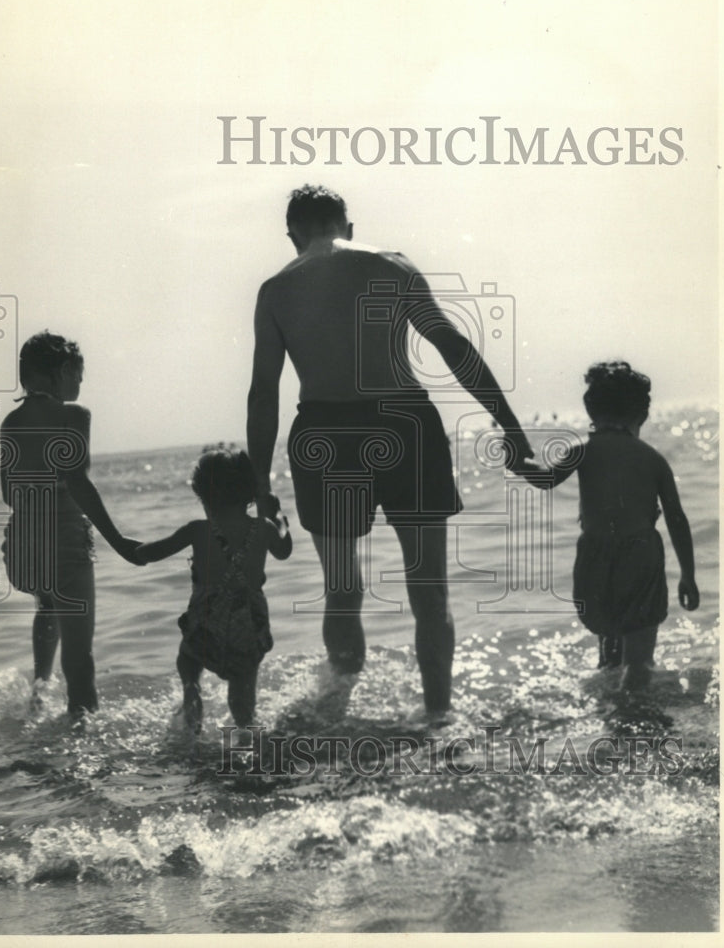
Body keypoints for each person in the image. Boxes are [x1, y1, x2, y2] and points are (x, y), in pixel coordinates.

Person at [246, 184, 533, 716]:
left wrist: (260, 487)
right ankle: (439, 716)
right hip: (405, 424)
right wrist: (511, 430)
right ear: (347, 227)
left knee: (342, 588)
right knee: (430, 592)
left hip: (325, 435)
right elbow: (452, 346)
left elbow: (264, 394)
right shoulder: (391, 265)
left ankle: (336, 715)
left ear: (293, 236)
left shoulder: (275, 290)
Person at [512, 360, 699, 691]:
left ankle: (610, 714)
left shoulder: (581, 451)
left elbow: (543, 480)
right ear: (641, 415)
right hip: (640, 559)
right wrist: (688, 575)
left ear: (590, 410)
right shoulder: (652, 458)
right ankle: (635, 716)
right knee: (638, 660)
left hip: (595, 558)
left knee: (609, 654)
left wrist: (519, 464)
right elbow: (676, 518)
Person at [0, 331, 140, 717]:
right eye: (79, 374)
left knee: (48, 608)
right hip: (64, 543)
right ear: (63, 371)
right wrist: (119, 541)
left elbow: (9, 494)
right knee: (80, 663)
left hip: (23, 550)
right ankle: (81, 754)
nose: (80, 383)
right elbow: (77, 482)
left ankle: (38, 694)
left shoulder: (11, 423)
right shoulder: (74, 416)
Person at [133, 447, 292, 732]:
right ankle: (246, 733)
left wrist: (133, 548)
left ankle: (192, 691)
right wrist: (278, 515)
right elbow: (284, 550)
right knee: (242, 685)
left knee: (189, 658)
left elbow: (151, 553)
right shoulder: (264, 528)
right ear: (250, 494)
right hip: (249, 621)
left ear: (203, 496)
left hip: (207, 618)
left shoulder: (197, 530)